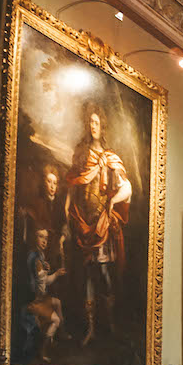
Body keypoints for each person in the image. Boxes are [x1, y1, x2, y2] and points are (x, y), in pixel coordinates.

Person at [65, 103, 131, 346]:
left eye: (97, 122)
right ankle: (91, 327)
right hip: (84, 222)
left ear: (102, 125)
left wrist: (113, 201)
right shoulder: (81, 155)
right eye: (90, 122)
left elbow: (126, 186)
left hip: (102, 223)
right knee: (88, 275)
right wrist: (67, 210)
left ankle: (109, 320)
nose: (93, 126)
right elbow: (73, 183)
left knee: (103, 272)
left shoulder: (110, 157)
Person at [23, 227, 66, 362]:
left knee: (58, 302)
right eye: (41, 237)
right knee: (56, 320)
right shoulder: (35, 257)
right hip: (35, 300)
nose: (44, 241)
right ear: (34, 238)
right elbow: (44, 283)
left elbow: (43, 280)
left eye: (46, 238)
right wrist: (56, 274)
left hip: (41, 296)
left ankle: (60, 333)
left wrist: (52, 272)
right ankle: (43, 350)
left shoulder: (40, 255)